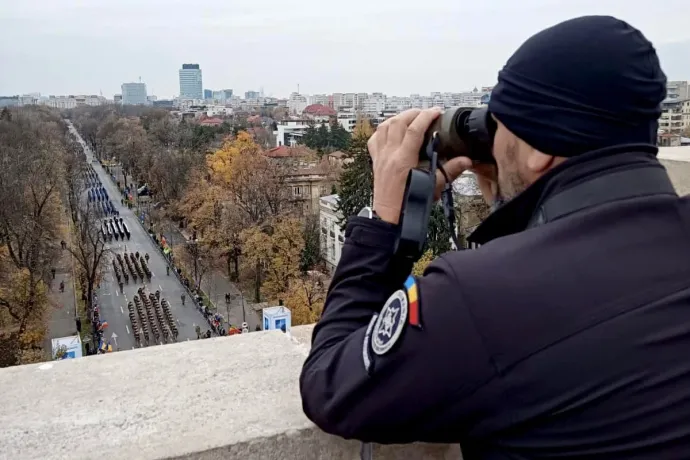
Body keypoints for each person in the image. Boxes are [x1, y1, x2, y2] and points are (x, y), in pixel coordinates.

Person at [299, 16, 690, 458]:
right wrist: (511, 203)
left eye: (500, 126)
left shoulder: (476, 298)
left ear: (541, 148)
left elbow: (330, 385)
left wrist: (385, 219)